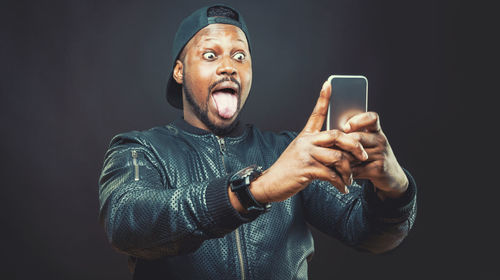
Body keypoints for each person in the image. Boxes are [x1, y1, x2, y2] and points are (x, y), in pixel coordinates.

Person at [98, 4, 417, 280]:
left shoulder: (290, 153)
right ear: (179, 71)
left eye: (240, 56)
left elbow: (370, 234)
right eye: (210, 55)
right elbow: (128, 223)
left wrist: (394, 188)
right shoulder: (140, 150)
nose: (228, 66)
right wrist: (254, 191)